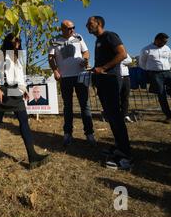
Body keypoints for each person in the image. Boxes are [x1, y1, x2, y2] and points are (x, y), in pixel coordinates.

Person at [0, 33, 49, 169]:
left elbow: (19, 76)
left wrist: (24, 90)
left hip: (16, 92)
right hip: (4, 91)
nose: (18, 41)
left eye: (19, 40)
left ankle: (32, 156)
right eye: (15, 39)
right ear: (8, 41)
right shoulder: (0, 54)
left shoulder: (18, 57)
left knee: (24, 120)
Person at [86, 16, 132, 170]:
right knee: (111, 116)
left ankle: (125, 155)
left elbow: (122, 54)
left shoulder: (110, 36)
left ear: (98, 23)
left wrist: (104, 68)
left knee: (115, 116)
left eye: (90, 23)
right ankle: (119, 147)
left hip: (111, 80)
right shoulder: (98, 40)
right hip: (102, 81)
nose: (87, 25)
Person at [48, 20, 95, 147]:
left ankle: (89, 134)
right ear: (62, 29)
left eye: (73, 27)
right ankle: (67, 134)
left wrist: (85, 60)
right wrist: (55, 71)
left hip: (80, 75)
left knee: (85, 105)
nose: (72, 30)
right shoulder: (54, 40)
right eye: (69, 28)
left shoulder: (78, 37)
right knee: (67, 106)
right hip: (65, 78)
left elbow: (86, 52)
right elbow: (51, 57)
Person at [139, 33, 171, 125]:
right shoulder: (146, 49)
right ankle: (168, 116)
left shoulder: (167, 48)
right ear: (157, 40)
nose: (164, 43)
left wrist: (167, 67)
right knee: (161, 95)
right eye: (163, 41)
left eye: (166, 42)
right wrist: (151, 70)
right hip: (155, 74)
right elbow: (142, 63)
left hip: (168, 72)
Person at [119, 54, 133, 122]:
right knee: (115, 97)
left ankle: (125, 115)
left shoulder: (123, 52)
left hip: (125, 77)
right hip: (115, 77)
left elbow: (129, 60)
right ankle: (116, 115)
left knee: (125, 97)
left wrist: (118, 60)